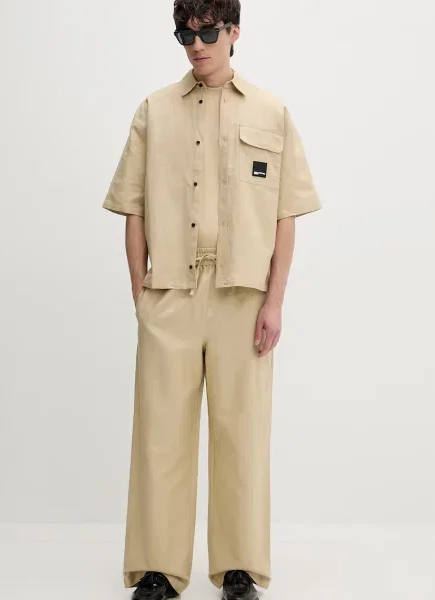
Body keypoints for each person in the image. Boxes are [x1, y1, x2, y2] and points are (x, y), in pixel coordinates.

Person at [102, 1, 322, 598]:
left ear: (233, 32)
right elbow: (132, 206)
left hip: (242, 297)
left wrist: (275, 302)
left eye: (207, 32)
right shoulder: (154, 111)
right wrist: (140, 292)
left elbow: (285, 216)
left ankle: (239, 569)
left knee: (242, 434)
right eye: (185, 34)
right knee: (160, 434)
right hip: (170, 292)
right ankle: (157, 569)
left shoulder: (272, 113)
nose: (196, 44)